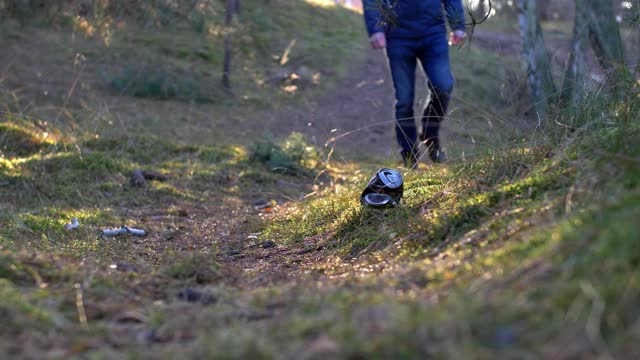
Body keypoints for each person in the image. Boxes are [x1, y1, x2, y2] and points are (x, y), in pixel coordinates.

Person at [363, 0, 467, 166]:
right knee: (404, 99)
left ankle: (429, 134)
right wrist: (376, 29)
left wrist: (458, 25)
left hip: (433, 34)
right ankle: (409, 154)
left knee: (443, 86)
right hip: (397, 36)